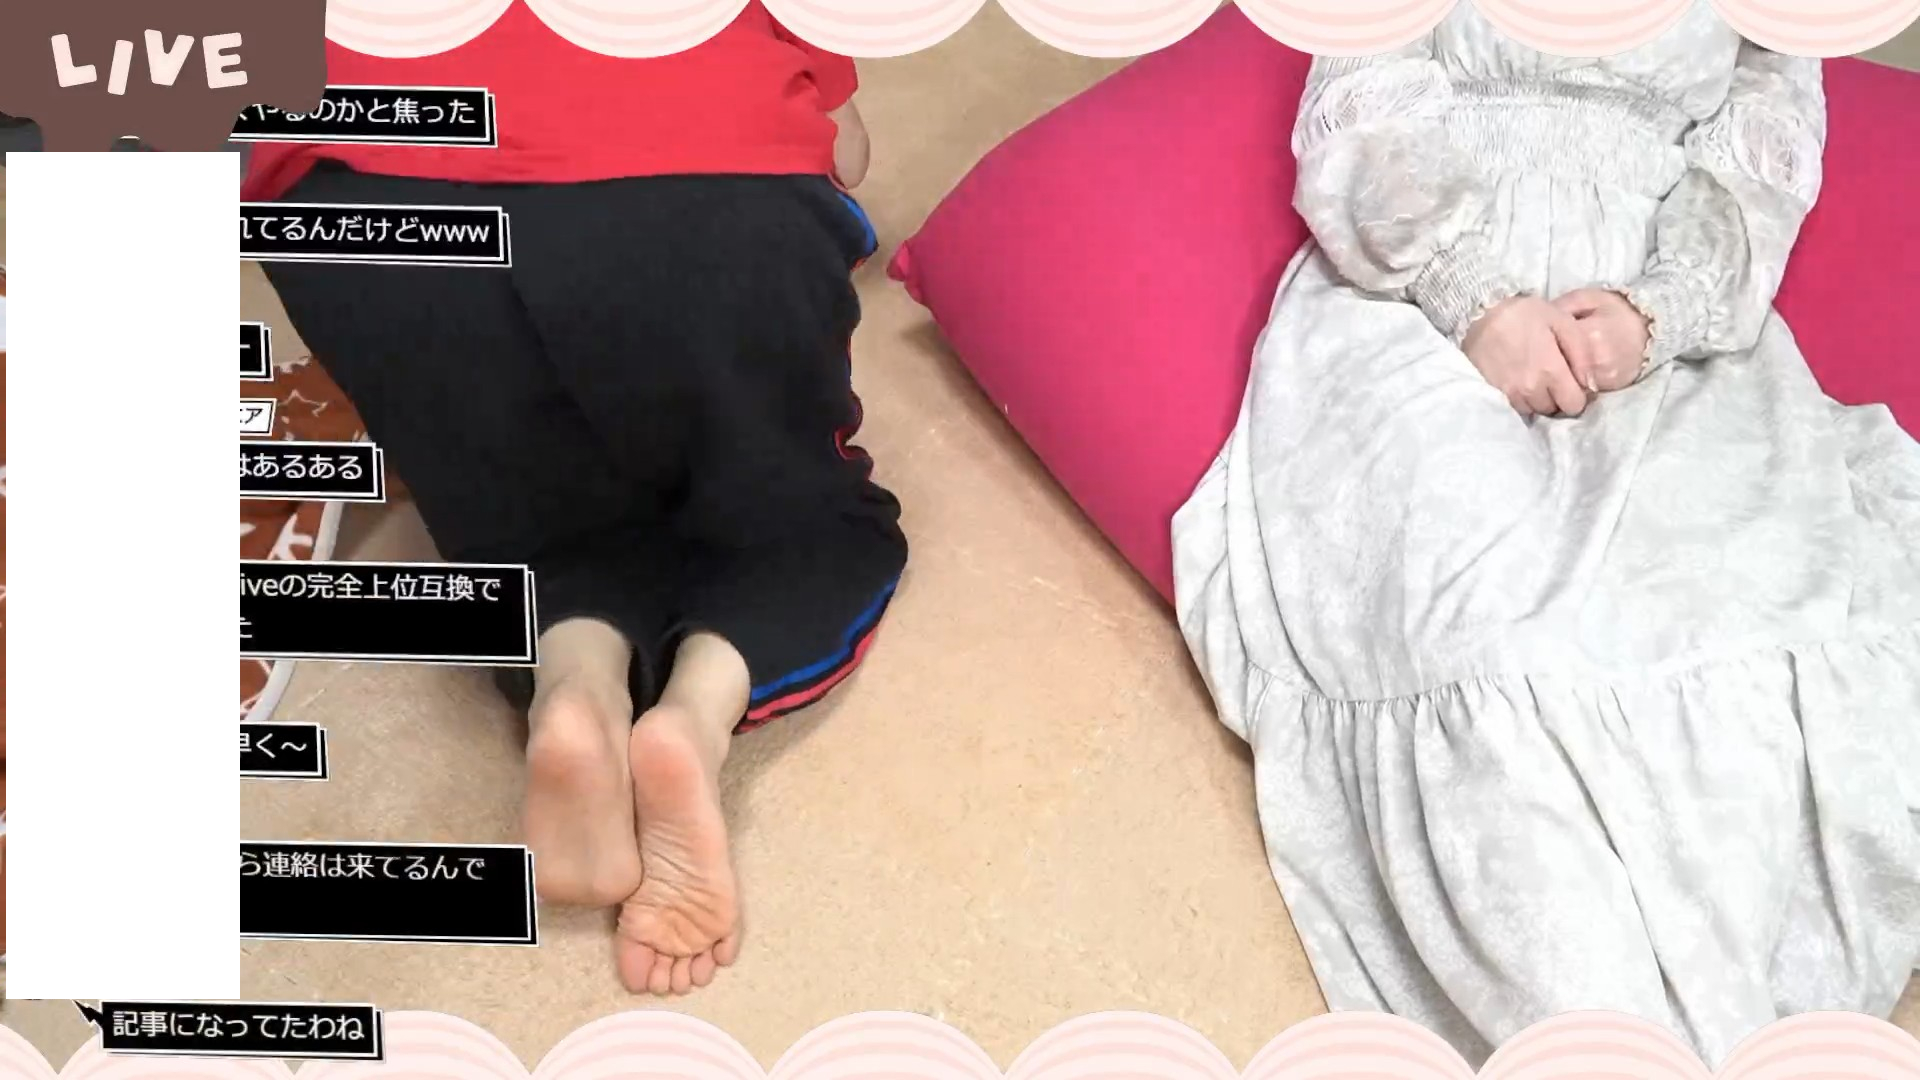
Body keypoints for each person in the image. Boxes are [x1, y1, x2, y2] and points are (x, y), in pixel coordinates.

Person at [1173, 4, 1920, 1065]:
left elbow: (1767, 141)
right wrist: (1473, 295)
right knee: (1488, 631)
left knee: (1748, 619)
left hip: (1664, 325)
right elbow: (1362, 99)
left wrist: (1661, 311)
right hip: (1415, 299)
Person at [244, 1, 907, 995]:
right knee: (799, 523)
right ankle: (692, 716)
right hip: (687, 188)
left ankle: (574, 685)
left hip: (362, 215)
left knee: (533, 520)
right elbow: (844, 147)